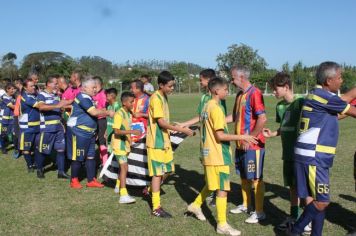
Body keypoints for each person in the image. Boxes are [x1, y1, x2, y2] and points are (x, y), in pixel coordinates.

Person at [288, 62, 356, 236]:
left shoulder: (316, 94)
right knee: (323, 201)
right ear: (328, 80)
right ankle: (295, 231)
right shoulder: (326, 97)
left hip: (307, 154)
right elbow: (350, 109)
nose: (342, 80)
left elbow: (343, 102)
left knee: (313, 199)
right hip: (314, 156)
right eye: (339, 77)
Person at [187, 77, 257, 235]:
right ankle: (222, 225)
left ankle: (196, 205)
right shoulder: (216, 109)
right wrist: (243, 137)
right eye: (225, 89)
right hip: (217, 155)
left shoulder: (207, 106)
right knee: (222, 189)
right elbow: (220, 136)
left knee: (213, 184)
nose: (228, 91)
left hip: (208, 154)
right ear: (217, 90)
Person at [146, 71, 194, 217]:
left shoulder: (163, 96)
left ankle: (149, 190)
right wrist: (182, 130)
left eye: (173, 86)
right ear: (161, 85)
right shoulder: (156, 98)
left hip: (164, 141)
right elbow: (161, 123)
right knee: (157, 174)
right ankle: (156, 207)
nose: (172, 88)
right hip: (156, 143)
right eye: (170, 86)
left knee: (168, 170)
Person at [262, 72, 305, 230]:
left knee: (303, 187)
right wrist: (273, 133)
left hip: (301, 153)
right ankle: (294, 216)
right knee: (292, 187)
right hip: (286, 152)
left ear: (286, 87)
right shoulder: (280, 106)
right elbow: (284, 127)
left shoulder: (301, 102)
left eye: (275, 89)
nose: (273, 92)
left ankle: (307, 219)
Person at [229, 65, 268, 224]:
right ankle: (246, 205)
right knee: (244, 177)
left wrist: (249, 138)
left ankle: (259, 212)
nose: (231, 81)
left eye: (233, 78)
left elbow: (262, 119)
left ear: (242, 78)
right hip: (240, 144)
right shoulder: (240, 95)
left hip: (253, 146)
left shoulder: (255, 93)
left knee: (256, 179)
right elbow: (234, 117)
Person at [66, 76, 114, 189]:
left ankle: (91, 179)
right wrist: (108, 112)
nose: (95, 90)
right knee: (78, 157)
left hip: (90, 133)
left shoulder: (88, 98)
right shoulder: (83, 98)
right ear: (84, 88)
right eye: (93, 87)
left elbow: (95, 112)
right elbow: (93, 112)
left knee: (91, 157)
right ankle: (74, 180)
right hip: (78, 132)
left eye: (96, 87)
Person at [36, 76, 71, 179]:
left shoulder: (56, 95)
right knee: (43, 150)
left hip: (58, 128)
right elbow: (41, 107)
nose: (57, 85)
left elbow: (60, 108)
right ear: (48, 84)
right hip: (47, 128)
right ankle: (39, 169)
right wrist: (57, 106)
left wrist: (63, 110)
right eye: (55, 84)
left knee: (61, 150)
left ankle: (61, 172)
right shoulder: (41, 95)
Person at [112, 91, 141, 203]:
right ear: (124, 103)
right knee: (124, 168)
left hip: (125, 146)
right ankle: (123, 195)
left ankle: (118, 186)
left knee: (121, 168)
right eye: (131, 102)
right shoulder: (119, 114)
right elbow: (116, 131)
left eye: (133, 101)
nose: (133, 104)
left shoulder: (128, 112)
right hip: (119, 146)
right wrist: (132, 131)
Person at [92, 76, 108, 165]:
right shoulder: (94, 94)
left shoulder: (103, 94)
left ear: (99, 85)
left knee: (102, 142)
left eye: (95, 86)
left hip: (102, 121)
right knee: (98, 142)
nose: (94, 89)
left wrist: (97, 112)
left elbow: (105, 109)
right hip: (95, 120)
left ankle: (105, 164)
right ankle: (101, 160)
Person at [0, 83, 16, 154]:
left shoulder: (13, 97)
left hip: (11, 120)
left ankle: (15, 146)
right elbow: (13, 107)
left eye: (13, 89)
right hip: (4, 121)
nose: (13, 90)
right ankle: (3, 148)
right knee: (3, 134)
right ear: (7, 89)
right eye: (12, 89)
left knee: (12, 133)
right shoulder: (4, 97)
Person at [106, 88, 121, 154]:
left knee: (115, 151)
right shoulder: (109, 107)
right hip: (109, 132)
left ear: (112, 96)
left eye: (107, 96)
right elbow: (108, 120)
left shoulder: (117, 106)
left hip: (114, 133)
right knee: (110, 150)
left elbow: (120, 120)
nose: (106, 97)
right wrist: (106, 131)